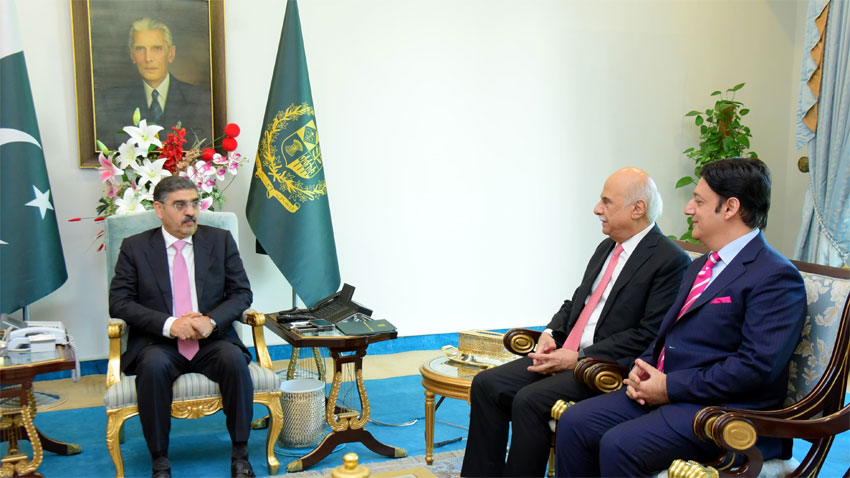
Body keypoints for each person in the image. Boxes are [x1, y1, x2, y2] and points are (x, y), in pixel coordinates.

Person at [554, 158, 808, 477]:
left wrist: (670, 386)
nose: (688, 209)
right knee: (575, 422)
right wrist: (642, 370)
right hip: (673, 396)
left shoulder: (775, 276)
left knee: (619, 444)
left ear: (730, 207)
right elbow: (667, 334)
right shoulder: (699, 266)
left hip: (724, 414)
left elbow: (756, 367)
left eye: (698, 201)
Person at [461, 167, 690, 477]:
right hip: (568, 353)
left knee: (529, 400)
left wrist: (578, 358)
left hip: (605, 366)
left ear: (637, 208)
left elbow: (647, 335)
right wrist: (551, 332)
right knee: (487, 384)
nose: (597, 209)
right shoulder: (607, 247)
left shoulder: (670, 260)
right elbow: (577, 302)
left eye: (606, 202)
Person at [109, 176, 255, 478]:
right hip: (158, 343)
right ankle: (160, 461)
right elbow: (120, 302)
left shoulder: (220, 240)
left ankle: (241, 455)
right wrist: (170, 324)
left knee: (233, 360)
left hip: (210, 340)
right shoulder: (135, 248)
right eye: (180, 205)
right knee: (152, 368)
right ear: (159, 209)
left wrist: (210, 321)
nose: (190, 212)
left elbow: (241, 293)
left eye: (194, 204)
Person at [96, 17, 212, 149]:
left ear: (171, 54)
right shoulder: (110, 102)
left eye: (157, 48)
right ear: (132, 55)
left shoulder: (201, 100)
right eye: (140, 49)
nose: (148, 58)